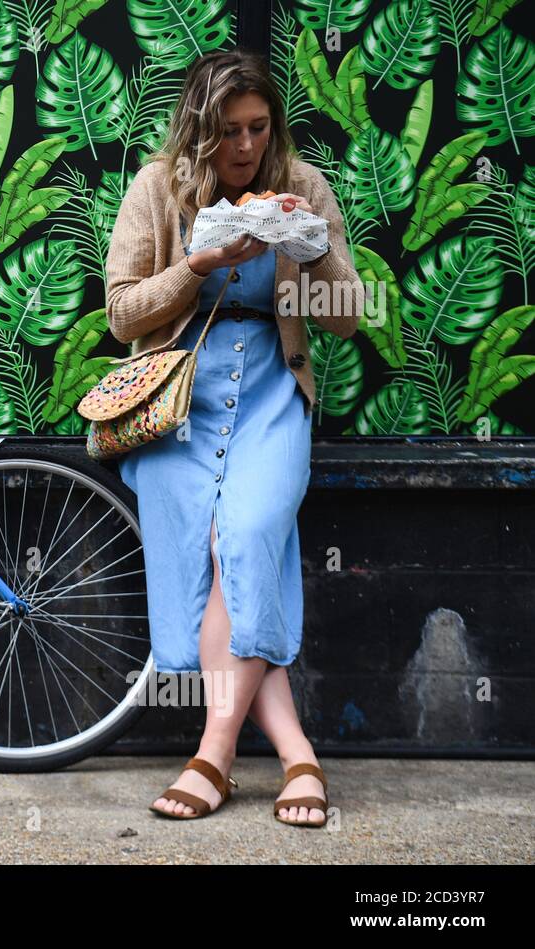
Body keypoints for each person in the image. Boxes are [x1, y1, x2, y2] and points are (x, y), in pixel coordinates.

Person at [104, 48, 363, 827]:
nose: (246, 146)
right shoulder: (157, 188)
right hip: (178, 396)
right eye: (226, 131)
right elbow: (122, 312)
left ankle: (213, 755)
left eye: (257, 128)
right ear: (197, 128)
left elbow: (347, 318)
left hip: (272, 393)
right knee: (210, 555)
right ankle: (298, 755)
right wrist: (201, 262)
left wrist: (310, 249)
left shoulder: (303, 184)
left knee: (246, 535)